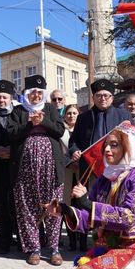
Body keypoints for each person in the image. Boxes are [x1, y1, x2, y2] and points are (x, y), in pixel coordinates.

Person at [44, 122, 135, 269]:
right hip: (112, 249)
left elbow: (127, 218)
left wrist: (88, 204)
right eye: (106, 145)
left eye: (114, 145)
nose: (106, 150)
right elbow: (90, 218)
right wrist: (65, 210)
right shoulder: (104, 180)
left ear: (129, 148)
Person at [7, 75, 65, 266]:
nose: (36, 96)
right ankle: (34, 249)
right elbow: (11, 133)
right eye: (33, 93)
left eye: (40, 93)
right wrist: (30, 124)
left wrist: (43, 122)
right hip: (25, 168)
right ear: (27, 94)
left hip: (51, 168)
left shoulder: (50, 109)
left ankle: (55, 249)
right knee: (27, 207)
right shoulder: (18, 110)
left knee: (53, 207)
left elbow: (59, 130)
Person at [69, 79, 131, 182]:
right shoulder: (82, 118)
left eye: (106, 95)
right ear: (93, 98)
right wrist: (74, 150)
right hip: (89, 169)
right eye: (98, 96)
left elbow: (132, 142)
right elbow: (74, 140)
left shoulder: (124, 116)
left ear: (112, 98)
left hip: (117, 168)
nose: (102, 99)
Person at [0, 80, 17, 255]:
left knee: (17, 204)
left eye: (4, 97)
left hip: (16, 166)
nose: (1, 100)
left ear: (11, 98)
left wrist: (12, 151)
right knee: (0, 204)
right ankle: (4, 241)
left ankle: (22, 239)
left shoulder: (20, 113)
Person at [59, 104, 87, 252]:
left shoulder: (84, 129)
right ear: (65, 116)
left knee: (82, 206)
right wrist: (69, 163)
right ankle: (71, 241)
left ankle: (83, 241)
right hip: (67, 173)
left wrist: (79, 162)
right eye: (69, 113)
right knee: (68, 207)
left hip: (83, 172)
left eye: (74, 113)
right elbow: (57, 150)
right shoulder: (60, 131)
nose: (71, 116)